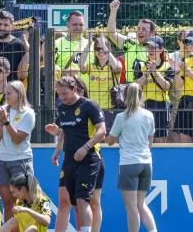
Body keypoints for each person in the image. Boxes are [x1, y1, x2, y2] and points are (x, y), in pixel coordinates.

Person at [47, 76, 106, 232]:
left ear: (74, 89)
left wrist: (86, 147)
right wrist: (57, 150)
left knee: (83, 200)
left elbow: (102, 131)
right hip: (69, 161)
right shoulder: (62, 108)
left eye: (65, 93)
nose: (62, 98)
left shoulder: (89, 105)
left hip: (89, 159)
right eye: (59, 94)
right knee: (74, 203)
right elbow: (63, 131)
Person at [106, 83, 158, 232]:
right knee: (141, 204)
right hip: (146, 163)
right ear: (140, 96)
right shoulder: (149, 115)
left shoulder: (121, 117)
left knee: (131, 206)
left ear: (124, 97)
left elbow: (110, 142)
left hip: (129, 163)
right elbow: (150, 142)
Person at [0, 81, 35, 222]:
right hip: (2, 160)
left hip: (20, 160)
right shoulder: (1, 111)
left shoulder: (28, 113)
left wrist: (6, 122)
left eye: (9, 93)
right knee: (8, 203)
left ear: (19, 93)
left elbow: (17, 139)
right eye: (5, 93)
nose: (6, 96)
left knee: (21, 202)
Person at [134, 36, 175, 143]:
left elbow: (167, 87)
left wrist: (155, 72)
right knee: (144, 140)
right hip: (144, 106)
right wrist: (146, 74)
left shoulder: (168, 66)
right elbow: (136, 86)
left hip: (161, 106)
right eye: (148, 47)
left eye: (154, 47)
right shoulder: (141, 65)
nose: (150, 50)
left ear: (161, 49)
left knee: (160, 141)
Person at [80, 31, 123, 126]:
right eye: (98, 49)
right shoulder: (91, 66)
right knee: (94, 138)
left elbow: (117, 67)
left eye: (103, 48)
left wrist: (104, 45)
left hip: (110, 108)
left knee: (108, 139)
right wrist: (89, 44)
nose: (100, 51)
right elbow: (81, 65)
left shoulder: (114, 64)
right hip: (93, 108)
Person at [107, 0, 156, 82]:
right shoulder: (130, 44)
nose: (140, 31)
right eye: (138, 29)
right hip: (130, 88)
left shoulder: (158, 50)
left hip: (150, 90)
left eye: (144, 29)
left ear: (152, 33)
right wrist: (113, 12)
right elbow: (111, 33)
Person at [54, 11, 88, 81]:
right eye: (75, 24)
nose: (78, 27)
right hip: (64, 88)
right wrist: (64, 72)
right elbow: (48, 69)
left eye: (81, 24)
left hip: (87, 89)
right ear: (67, 25)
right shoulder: (57, 43)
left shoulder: (91, 44)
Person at [173, 30, 193, 142]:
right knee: (185, 143)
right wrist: (176, 72)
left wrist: (187, 71)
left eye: (192, 42)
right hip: (185, 102)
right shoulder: (185, 60)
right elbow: (180, 85)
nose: (189, 45)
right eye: (187, 42)